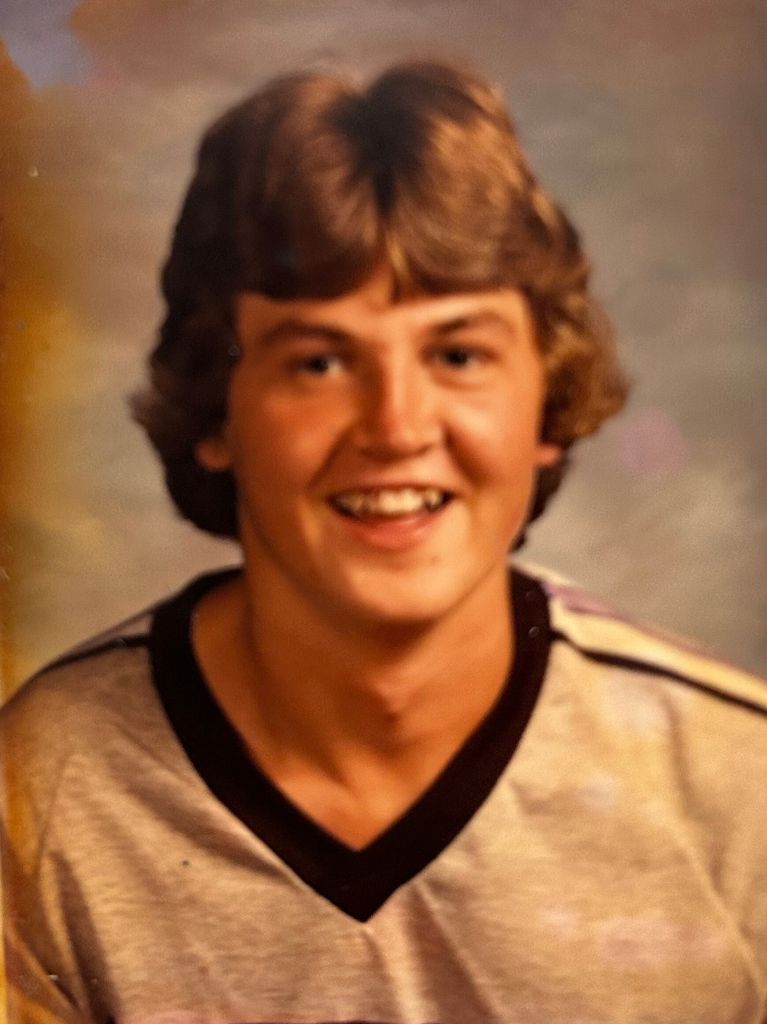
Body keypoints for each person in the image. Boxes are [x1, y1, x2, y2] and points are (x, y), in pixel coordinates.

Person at [1, 59, 764, 1024]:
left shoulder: (739, 789)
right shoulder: (40, 797)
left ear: (547, 401)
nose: (396, 427)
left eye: (458, 354)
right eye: (319, 362)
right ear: (217, 411)